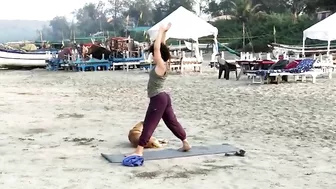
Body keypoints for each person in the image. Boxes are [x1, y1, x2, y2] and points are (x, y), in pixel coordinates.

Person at [128, 23, 191, 157]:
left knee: (149, 124)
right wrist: (164, 34)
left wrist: (161, 31)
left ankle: (139, 151)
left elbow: (157, 48)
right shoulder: (163, 63)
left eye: (154, 53)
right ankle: (185, 142)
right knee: (172, 122)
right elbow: (161, 46)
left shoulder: (161, 65)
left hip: (158, 98)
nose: (153, 55)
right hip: (163, 97)